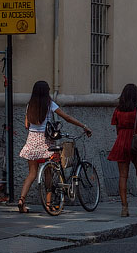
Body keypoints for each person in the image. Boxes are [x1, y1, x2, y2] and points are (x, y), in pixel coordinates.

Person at [16, 80, 92, 213]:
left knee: (32, 174)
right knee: (48, 174)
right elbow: (67, 117)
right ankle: (49, 204)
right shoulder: (50, 104)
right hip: (46, 143)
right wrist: (84, 126)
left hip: (32, 142)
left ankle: (21, 200)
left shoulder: (30, 105)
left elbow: (26, 125)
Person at [108, 83, 137, 217]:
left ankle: (124, 208)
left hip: (121, 142)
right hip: (136, 142)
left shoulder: (118, 110)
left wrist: (122, 139)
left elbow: (117, 128)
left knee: (123, 175)